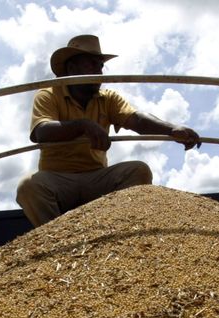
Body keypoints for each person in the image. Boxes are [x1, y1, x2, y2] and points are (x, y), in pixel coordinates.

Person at [16, 34, 201, 227]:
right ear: (72, 68)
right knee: (28, 186)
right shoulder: (48, 95)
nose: (99, 70)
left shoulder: (109, 98)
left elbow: (136, 119)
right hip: (58, 179)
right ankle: (55, 240)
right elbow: (41, 131)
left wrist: (172, 129)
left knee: (138, 170)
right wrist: (83, 125)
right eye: (92, 64)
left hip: (97, 177)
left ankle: (115, 235)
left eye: (100, 65)